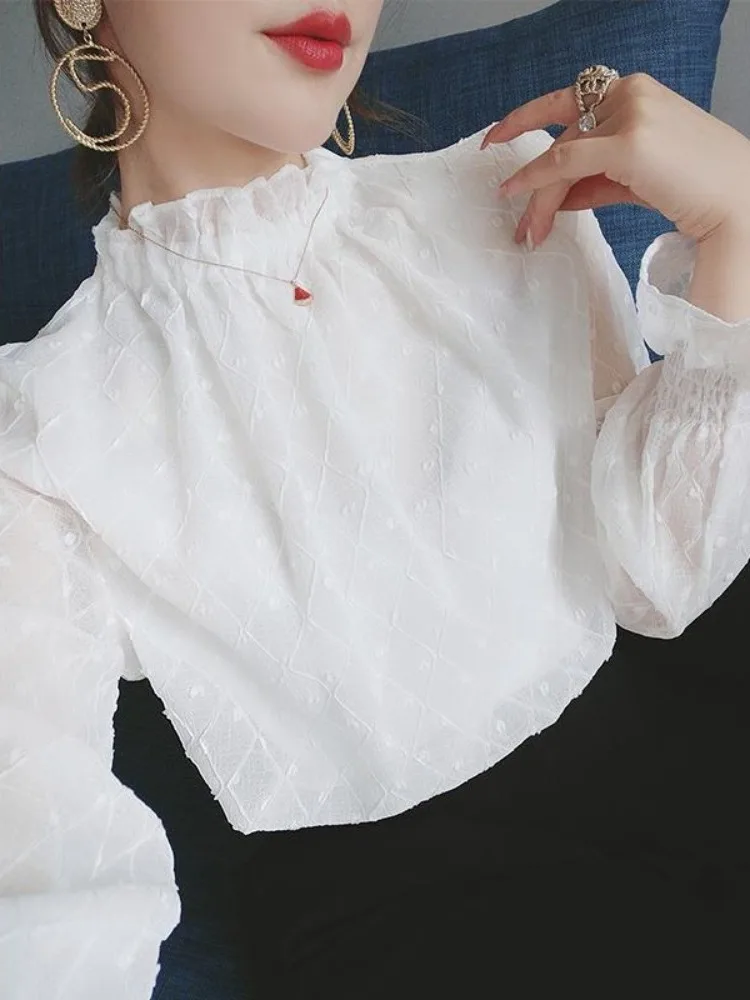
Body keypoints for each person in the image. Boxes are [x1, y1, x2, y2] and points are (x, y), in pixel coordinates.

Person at [2, 1, 750, 997]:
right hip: (431, 911)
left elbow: (663, 578)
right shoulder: (44, 425)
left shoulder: (507, 193)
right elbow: (40, 870)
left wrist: (740, 224)